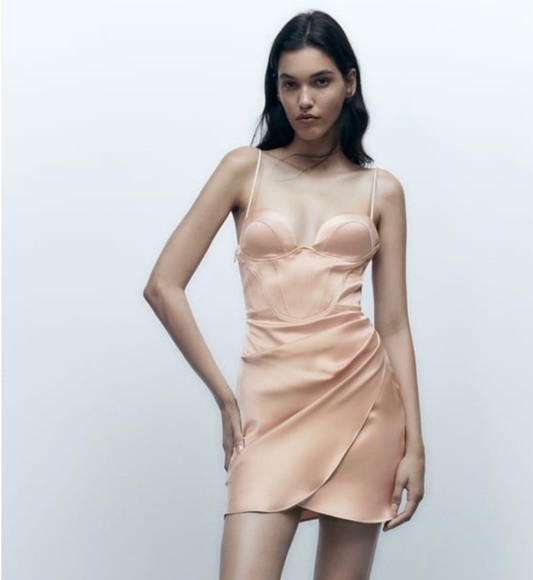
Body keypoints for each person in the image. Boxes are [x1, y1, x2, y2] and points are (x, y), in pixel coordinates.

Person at [143, 9, 425, 580]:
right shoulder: (243, 170)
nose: (305, 100)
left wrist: (415, 446)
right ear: (275, 89)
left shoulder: (382, 190)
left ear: (349, 83)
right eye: (289, 84)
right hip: (269, 417)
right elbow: (163, 286)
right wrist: (225, 399)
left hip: (364, 406)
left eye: (321, 81)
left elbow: (393, 324)